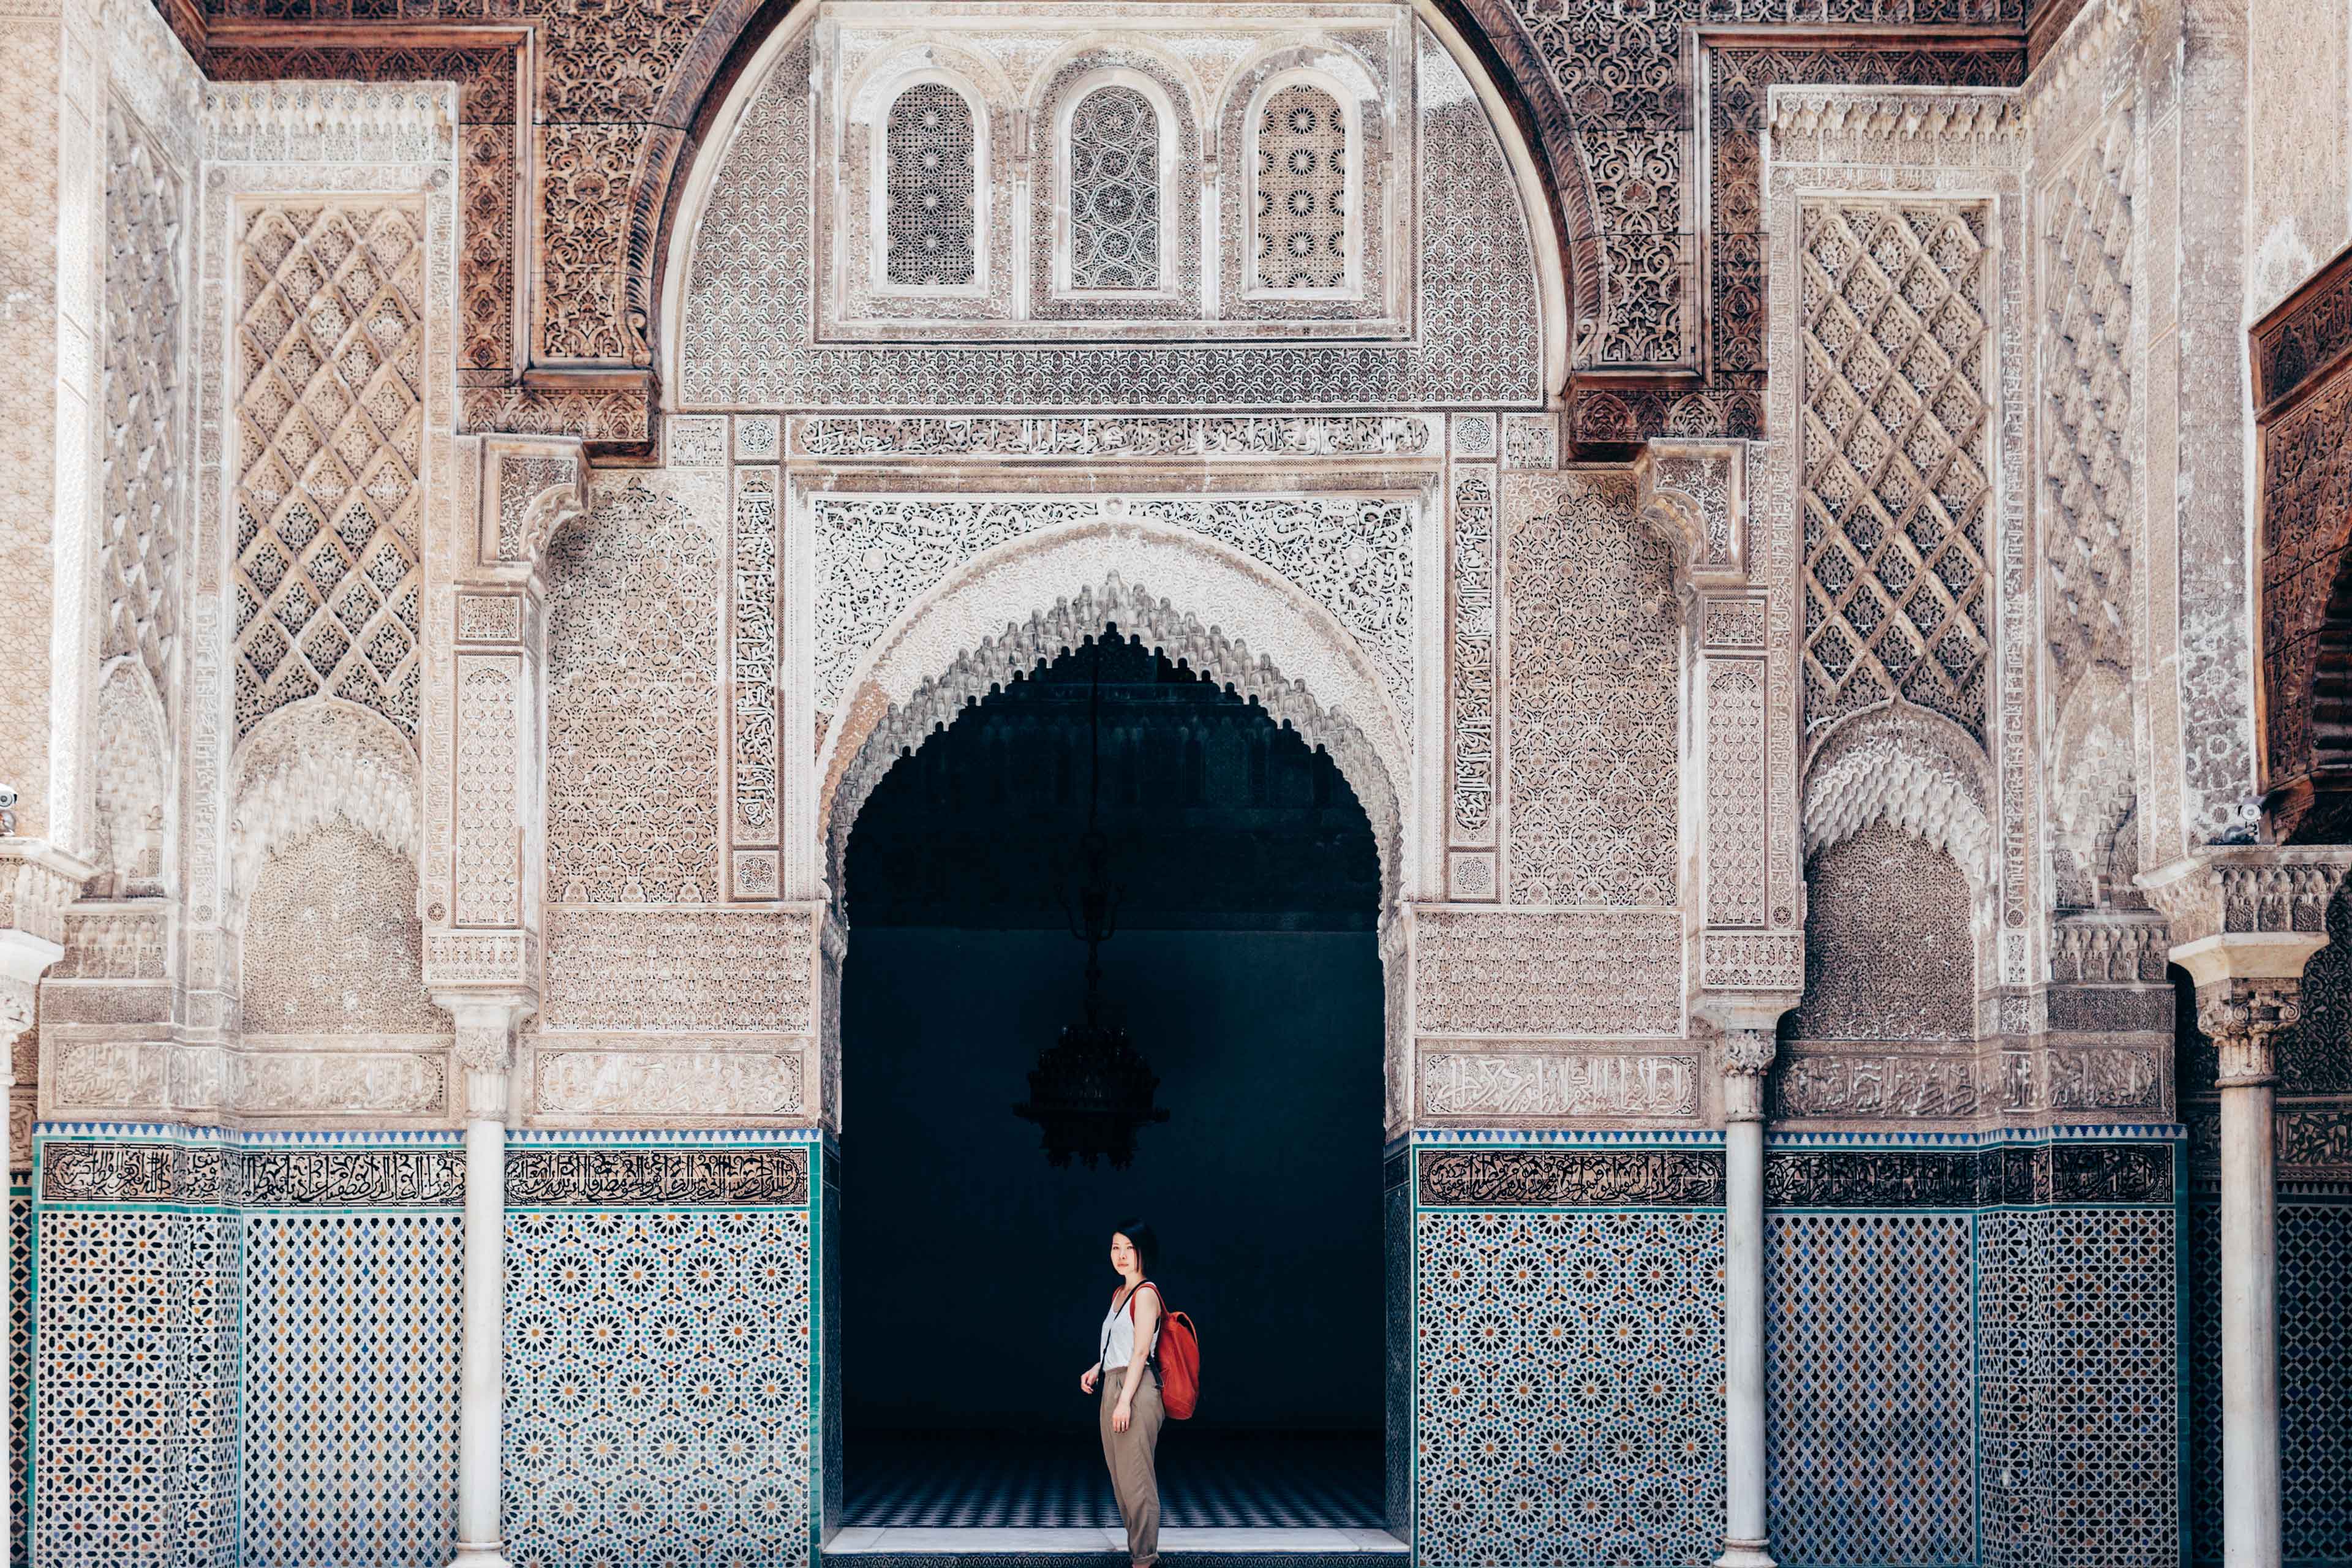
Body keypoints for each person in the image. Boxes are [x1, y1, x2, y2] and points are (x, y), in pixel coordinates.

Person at [1079, 1222, 1164, 1567]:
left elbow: (1141, 1352)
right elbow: (1119, 1344)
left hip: (1136, 1387)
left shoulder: (1145, 1293)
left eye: (1129, 1247)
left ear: (1143, 1251)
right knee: (1120, 1477)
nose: (1122, 1255)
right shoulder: (1119, 1294)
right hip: (1115, 1384)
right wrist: (1098, 1368)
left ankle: (1144, 1558)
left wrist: (1125, 1401)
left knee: (1136, 1478)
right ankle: (1138, 1553)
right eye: (1116, 1247)